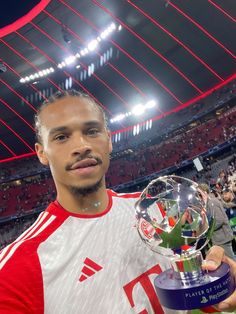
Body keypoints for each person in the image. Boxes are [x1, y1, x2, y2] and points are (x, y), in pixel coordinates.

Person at [0, 90, 235, 314]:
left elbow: (205, 301)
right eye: (61, 137)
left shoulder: (154, 212)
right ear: (42, 153)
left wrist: (223, 287)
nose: (81, 146)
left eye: (92, 131)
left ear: (109, 140)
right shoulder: (17, 269)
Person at [198, 183, 236, 261]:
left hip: (222, 238)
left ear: (203, 193)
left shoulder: (212, 202)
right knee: (228, 261)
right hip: (219, 238)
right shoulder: (209, 203)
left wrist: (207, 228)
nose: (198, 197)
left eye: (198, 194)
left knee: (231, 261)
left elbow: (219, 220)